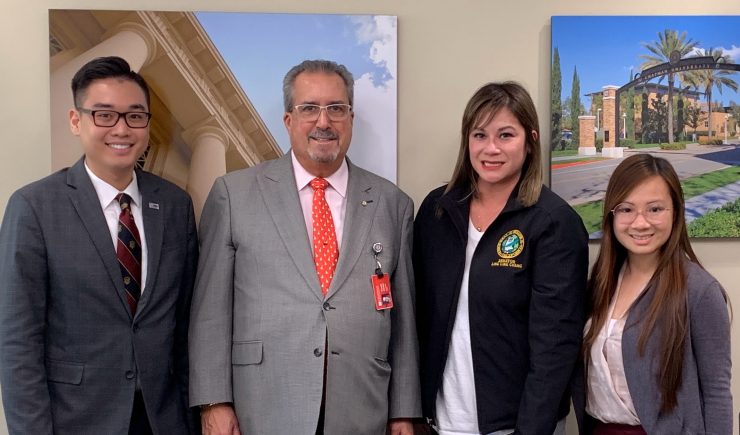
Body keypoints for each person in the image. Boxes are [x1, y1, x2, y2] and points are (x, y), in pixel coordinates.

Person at [188, 59, 420, 435]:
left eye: (336, 109)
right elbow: (210, 312)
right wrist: (214, 401)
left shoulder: (393, 204)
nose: (323, 122)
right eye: (309, 108)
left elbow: (404, 319)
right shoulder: (234, 194)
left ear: (351, 118)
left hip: (362, 409)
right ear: (288, 120)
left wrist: (404, 412)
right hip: (261, 405)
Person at [0, 56, 200, 434]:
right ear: (77, 121)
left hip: (163, 420)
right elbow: (17, 343)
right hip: (75, 419)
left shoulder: (175, 205)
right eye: (104, 115)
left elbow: (185, 327)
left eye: (135, 116)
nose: (121, 129)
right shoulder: (34, 206)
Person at [413, 82, 588, 435]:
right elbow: (416, 318)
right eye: (479, 135)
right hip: (439, 421)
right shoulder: (437, 210)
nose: (490, 148)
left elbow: (555, 347)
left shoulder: (553, 223)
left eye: (506, 135)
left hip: (515, 425)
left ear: (531, 140)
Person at [573, 153, 732, 434]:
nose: (640, 223)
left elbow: (717, 393)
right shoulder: (599, 283)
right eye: (626, 209)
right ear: (611, 215)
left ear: (676, 212)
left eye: (655, 209)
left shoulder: (699, 291)